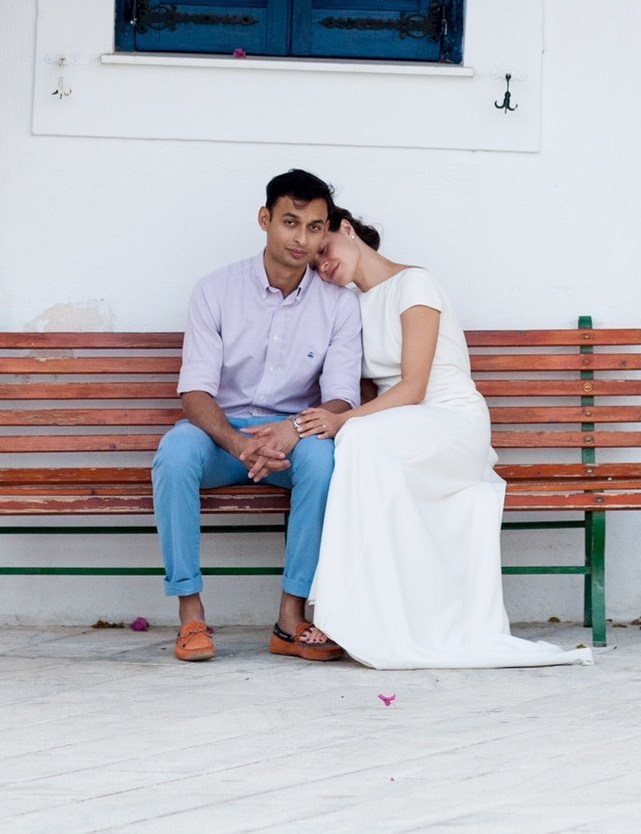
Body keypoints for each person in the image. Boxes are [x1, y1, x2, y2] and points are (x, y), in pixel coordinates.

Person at [298, 211, 592, 669]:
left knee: (356, 439)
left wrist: (345, 421)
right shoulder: (353, 304)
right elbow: (375, 388)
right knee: (355, 445)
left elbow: (414, 387)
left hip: (453, 421)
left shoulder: (414, 284)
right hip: (406, 429)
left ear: (348, 230)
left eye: (325, 250)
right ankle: (361, 611)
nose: (322, 265)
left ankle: (333, 613)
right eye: (314, 264)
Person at [151, 168, 364, 664]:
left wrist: (291, 430)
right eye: (290, 222)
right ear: (265, 219)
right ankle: (191, 615)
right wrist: (237, 442)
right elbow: (196, 393)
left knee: (323, 461)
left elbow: (341, 400)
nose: (301, 238)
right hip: (223, 439)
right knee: (175, 452)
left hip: (292, 439)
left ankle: (290, 619)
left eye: (315, 227)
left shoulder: (339, 305)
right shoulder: (215, 290)